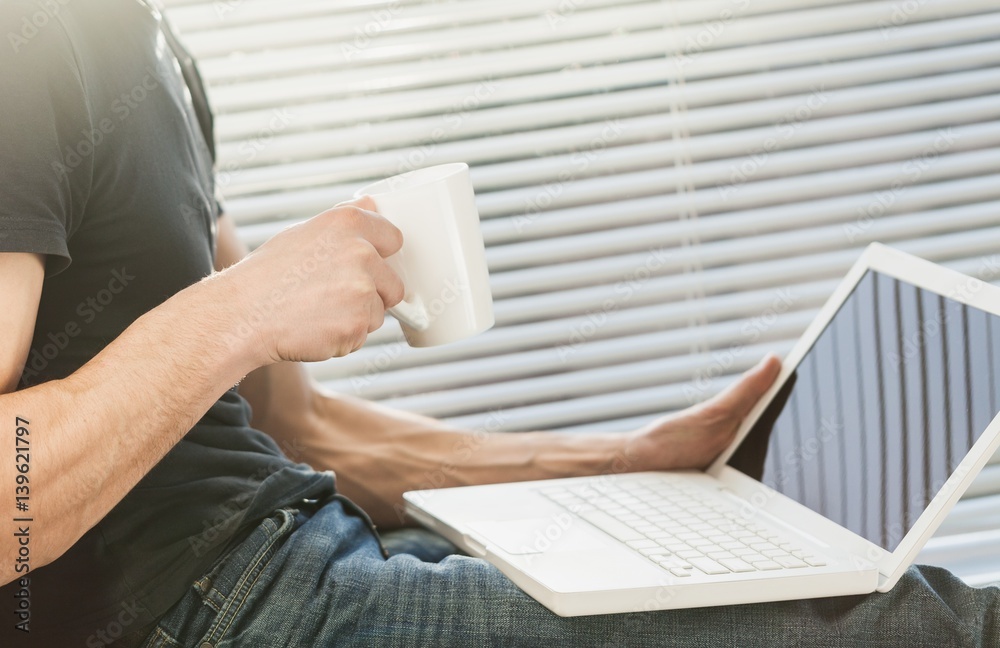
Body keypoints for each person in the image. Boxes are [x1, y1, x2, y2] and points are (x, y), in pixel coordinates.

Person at [0, 1, 995, 646]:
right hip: (209, 608)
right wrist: (247, 305)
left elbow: (305, 432)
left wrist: (623, 458)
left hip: (299, 549)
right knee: (914, 626)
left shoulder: (146, 42)